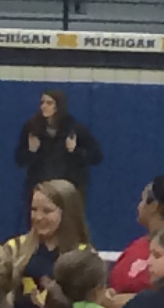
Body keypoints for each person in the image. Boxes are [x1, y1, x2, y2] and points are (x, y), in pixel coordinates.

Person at [11, 91, 101, 223]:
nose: (44, 106)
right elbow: (20, 160)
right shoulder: (32, 129)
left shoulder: (74, 129)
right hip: (40, 189)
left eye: (49, 103)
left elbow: (97, 156)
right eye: (42, 103)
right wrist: (31, 151)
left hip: (67, 190)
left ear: (59, 106)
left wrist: (75, 151)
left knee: (67, 227)